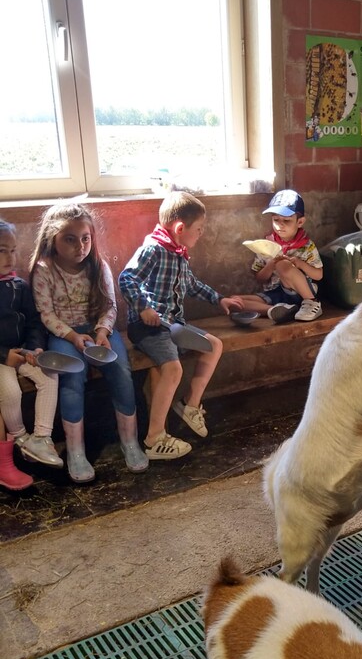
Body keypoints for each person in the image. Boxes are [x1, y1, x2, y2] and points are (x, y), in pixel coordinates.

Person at [29, 204, 148, 484]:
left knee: (120, 368)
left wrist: (103, 332)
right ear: (52, 240)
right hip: (63, 334)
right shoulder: (44, 270)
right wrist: (71, 336)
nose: (80, 246)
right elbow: (45, 313)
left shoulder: (98, 265)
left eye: (85, 238)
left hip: (98, 331)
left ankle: (130, 442)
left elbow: (109, 306)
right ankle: (76, 452)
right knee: (71, 375)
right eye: (69, 239)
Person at [119, 191, 240, 460]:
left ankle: (189, 404)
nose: (201, 234)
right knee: (172, 370)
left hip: (172, 324)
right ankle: (154, 439)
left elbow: (192, 284)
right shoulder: (153, 249)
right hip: (148, 326)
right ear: (180, 228)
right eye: (199, 229)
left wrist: (219, 299)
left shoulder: (179, 254)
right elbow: (126, 278)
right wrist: (144, 308)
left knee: (214, 345)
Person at [0, 219, 63, 473]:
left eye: (13, 250)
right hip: (2, 359)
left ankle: (41, 438)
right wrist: (5, 356)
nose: (10, 257)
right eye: (2, 250)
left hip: (23, 351)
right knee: (11, 392)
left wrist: (35, 347)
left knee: (50, 375)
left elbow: (35, 322)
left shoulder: (19, 286)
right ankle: (20, 438)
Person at [230, 190, 323, 324]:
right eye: (276, 220)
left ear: (300, 222)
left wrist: (300, 264)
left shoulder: (306, 246)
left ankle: (312, 303)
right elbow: (260, 279)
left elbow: (318, 275)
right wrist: (270, 265)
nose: (280, 225)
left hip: (299, 294)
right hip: (274, 294)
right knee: (234, 301)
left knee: (282, 264)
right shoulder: (267, 245)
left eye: (287, 220)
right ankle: (276, 310)